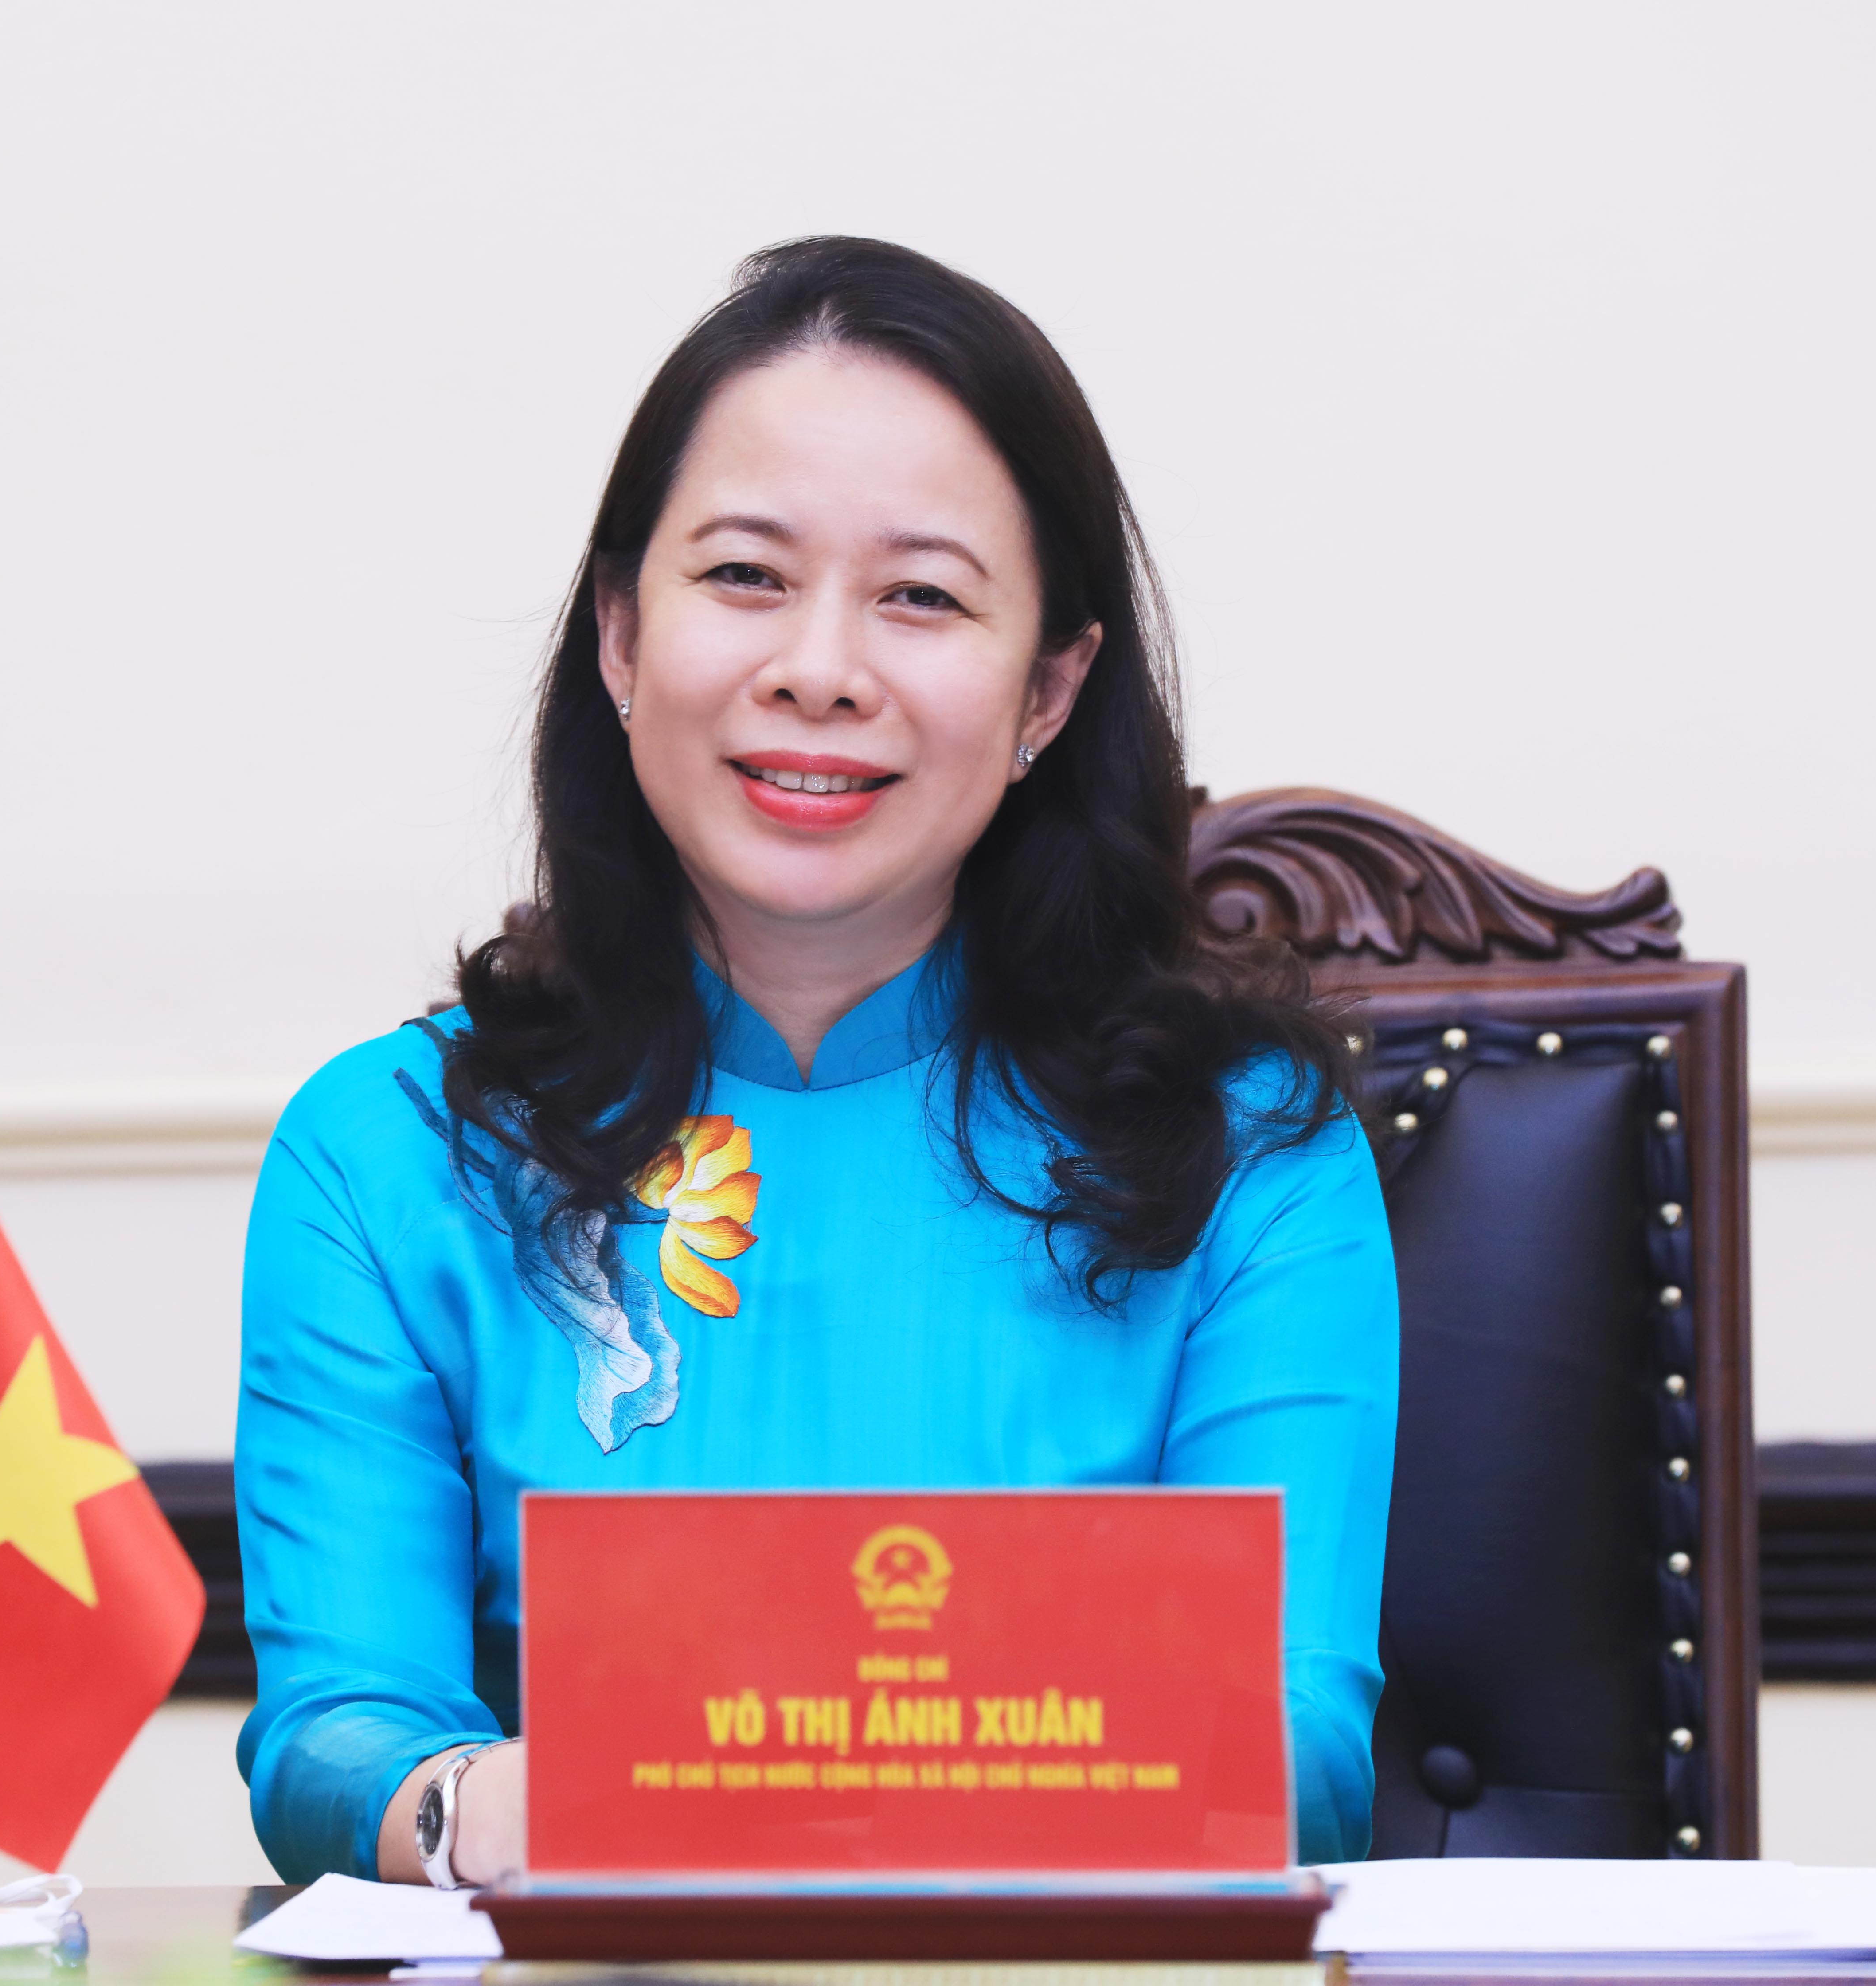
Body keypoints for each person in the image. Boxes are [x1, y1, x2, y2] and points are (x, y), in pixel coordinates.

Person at [234, 237, 1397, 1883]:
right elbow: (339, 1735)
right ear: (622, 637)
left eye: (922, 596)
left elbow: (1297, 1747)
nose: (821, 671)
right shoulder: (388, 1152)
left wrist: (744, 1785)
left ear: (1050, 689)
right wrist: (478, 1808)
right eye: (745, 577)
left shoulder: (1250, 1152)